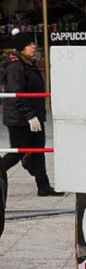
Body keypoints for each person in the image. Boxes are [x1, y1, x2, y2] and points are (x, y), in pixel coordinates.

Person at [1, 32, 63, 197]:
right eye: (29, 44)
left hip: (33, 115)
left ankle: (43, 186)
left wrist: (35, 115)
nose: (33, 46)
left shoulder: (28, 64)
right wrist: (29, 116)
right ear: (22, 47)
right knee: (19, 152)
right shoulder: (16, 67)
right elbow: (18, 94)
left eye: (33, 44)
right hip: (20, 119)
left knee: (38, 150)